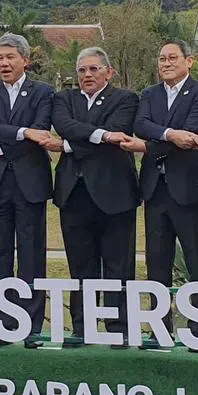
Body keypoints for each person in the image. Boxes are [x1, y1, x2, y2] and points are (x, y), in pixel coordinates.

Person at [121, 40, 198, 348]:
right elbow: (141, 125)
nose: (166, 63)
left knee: (197, 260)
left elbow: (193, 135)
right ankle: (159, 330)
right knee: (156, 262)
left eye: (172, 57)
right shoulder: (149, 94)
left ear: (189, 61)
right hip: (155, 188)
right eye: (162, 58)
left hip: (189, 189)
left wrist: (151, 143)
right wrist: (170, 134)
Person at [0, 33, 58, 349]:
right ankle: (4, 325)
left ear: (25, 60)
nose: (4, 63)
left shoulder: (43, 92)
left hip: (29, 182)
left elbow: (42, 129)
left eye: (10, 57)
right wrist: (23, 132)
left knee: (32, 253)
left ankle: (32, 327)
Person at [51, 47, 140, 346]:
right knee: (80, 265)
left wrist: (67, 146)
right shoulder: (64, 99)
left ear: (109, 72)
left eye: (93, 69)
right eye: (82, 70)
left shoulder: (126, 99)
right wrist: (102, 136)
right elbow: (64, 125)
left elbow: (119, 131)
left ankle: (119, 327)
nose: (87, 75)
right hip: (73, 193)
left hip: (115, 193)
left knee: (118, 265)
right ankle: (82, 327)